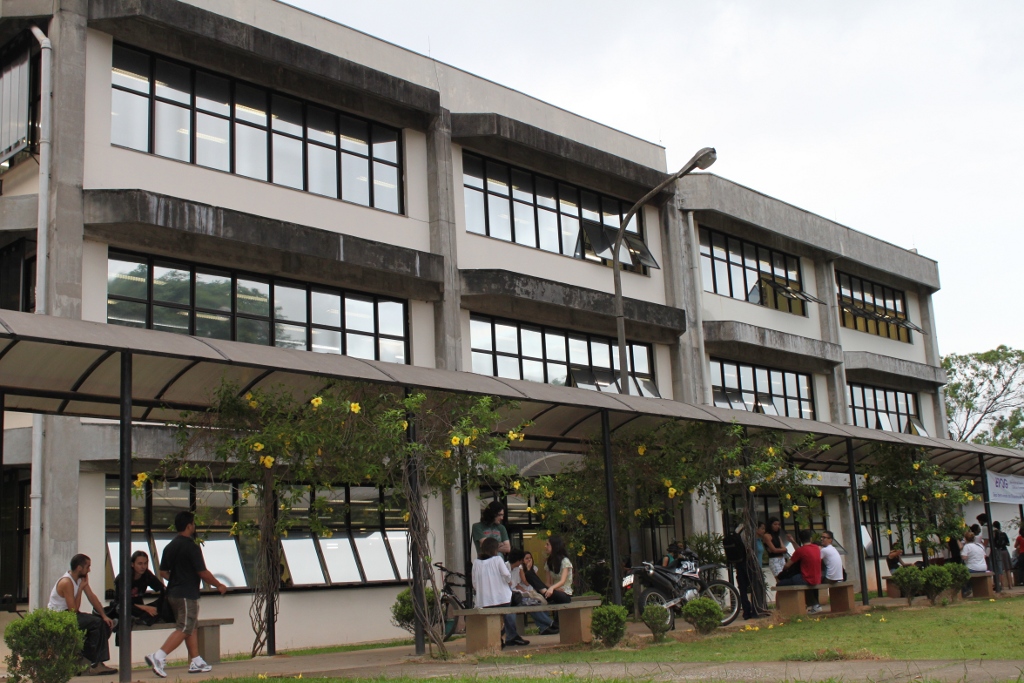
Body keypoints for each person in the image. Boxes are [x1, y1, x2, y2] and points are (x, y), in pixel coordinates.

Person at [146, 511, 228, 678]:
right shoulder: (191, 546)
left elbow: (163, 571)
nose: (194, 527)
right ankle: (158, 656)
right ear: (189, 525)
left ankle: (196, 661)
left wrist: (176, 578)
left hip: (173, 594)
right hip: (186, 594)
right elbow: (202, 572)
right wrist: (218, 584)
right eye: (193, 524)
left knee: (191, 626)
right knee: (184, 627)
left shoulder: (170, 546)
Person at [47, 553, 118, 676]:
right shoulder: (66, 582)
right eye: (88, 567)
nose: (89, 570)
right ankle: (95, 663)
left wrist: (104, 615)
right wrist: (80, 589)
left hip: (70, 614)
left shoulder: (80, 579)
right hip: (60, 617)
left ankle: (88, 661)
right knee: (97, 623)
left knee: (104, 624)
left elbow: (92, 597)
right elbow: (73, 610)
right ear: (80, 568)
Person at [472, 537, 528, 647]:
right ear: (495, 549)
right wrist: (509, 582)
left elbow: (474, 582)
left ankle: (497, 638)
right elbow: (506, 574)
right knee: (509, 613)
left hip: (484, 601)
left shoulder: (476, 563)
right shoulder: (497, 560)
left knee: (493, 618)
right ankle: (511, 635)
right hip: (501, 598)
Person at [507, 549, 556, 635]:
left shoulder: (517, 568)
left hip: (518, 593)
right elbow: (524, 582)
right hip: (510, 596)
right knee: (531, 603)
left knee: (537, 601)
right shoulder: (505, 567)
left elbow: (518, 584)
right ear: (518, 560)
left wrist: (524, 591)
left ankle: (544, 628)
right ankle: (551, 623)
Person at [110, 550, 165, 626]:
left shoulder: (147, 574)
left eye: (145, 563)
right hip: (125, 606)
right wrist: (146, 608)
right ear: (132, 564)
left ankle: (142, 619)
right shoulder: (123, 578)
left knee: (163, 603)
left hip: (140, 607)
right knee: (123, 607)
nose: (143, 567)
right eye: (140, 564)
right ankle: (143, 619)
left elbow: (161, 588)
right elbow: (122, 601)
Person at [776, 529, 822, 613]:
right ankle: (815, 605)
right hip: (817, 577)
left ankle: (783, 609)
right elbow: (803, 550)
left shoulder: (800, 551)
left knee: (780, 584)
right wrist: (793, 542)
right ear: (811, 539)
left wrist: (784, 571)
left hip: (805, 578)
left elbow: (787, 565)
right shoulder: (816, 548)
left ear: (800, 539)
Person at [736, 521, 767, 620]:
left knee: (743, 589)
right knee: (756, 587)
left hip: (740, 564)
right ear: (756, 528)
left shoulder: (740, 532)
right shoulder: (750, 538)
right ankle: (756, 609)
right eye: (762, 528)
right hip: (750, 566)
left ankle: (747, 611)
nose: (764, 530)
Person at [543, 535, 573, 605]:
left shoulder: (565, 561)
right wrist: (553, 588)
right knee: (541, 589)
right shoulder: (549, 562)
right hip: (553, 591)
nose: (545, 547)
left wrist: (552, 588)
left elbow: (562, 581)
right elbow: (547, 583)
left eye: (547, 544)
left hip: (564, 593)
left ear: (554, 546)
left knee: (548, 593)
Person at [991, 522, 1013, 590]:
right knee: (1007, 569)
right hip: (1005, 551)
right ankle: (1010, 585)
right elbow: (1008, 544)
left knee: (1000, 569)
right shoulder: (1003, 534)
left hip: (998, 551)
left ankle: (1002, 585)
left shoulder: (994, 533)